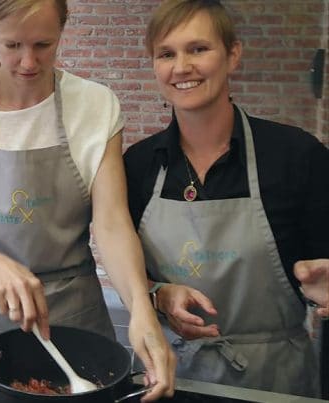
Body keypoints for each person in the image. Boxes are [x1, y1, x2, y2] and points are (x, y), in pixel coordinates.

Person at [0, 0, 175, 400]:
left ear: (61, 31)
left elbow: (111, 224)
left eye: (43, 45)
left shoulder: (95, 105)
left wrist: (141, 310)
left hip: (72, 325)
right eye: (12, 45)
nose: (28, 62)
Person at [123, 0, 329, 398]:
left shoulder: (297, 156)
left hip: (274, 380)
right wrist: (158, 295)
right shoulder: (138, 164)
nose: (181, 67)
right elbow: (127, 271)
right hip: (169, 376)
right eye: (166, 54)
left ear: (233, 55)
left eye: (198, 49)